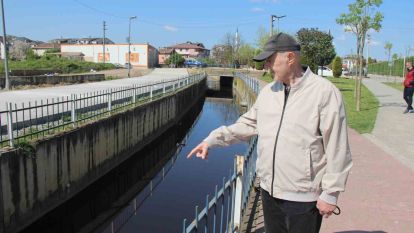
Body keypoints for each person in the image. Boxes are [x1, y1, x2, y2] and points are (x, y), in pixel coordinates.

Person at [187, 33, 353, 233]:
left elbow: (337, 146)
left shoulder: (324, 93)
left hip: (303, 196)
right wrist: (212, 140)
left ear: (290, 58)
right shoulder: (268, 92)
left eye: (270, 60)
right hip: (268, 191)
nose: (265, 65)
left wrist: (331, 193)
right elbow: (247, 124)